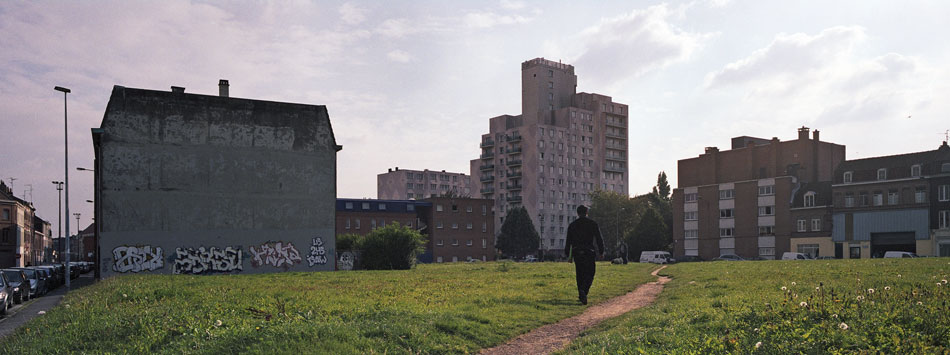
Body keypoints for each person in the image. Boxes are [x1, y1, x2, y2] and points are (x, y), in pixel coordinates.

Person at [564, 205, 605, 305]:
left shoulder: (572, 225)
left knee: (580, 273)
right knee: (590, 272)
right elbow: (599, 238)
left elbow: (568, 241)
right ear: (587, 212)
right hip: (589, 251)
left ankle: (581, 292)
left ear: (577, 213)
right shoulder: (592, 224)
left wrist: (567, 254)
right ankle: (584, 291)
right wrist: (601, 251)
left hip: (577, 252)